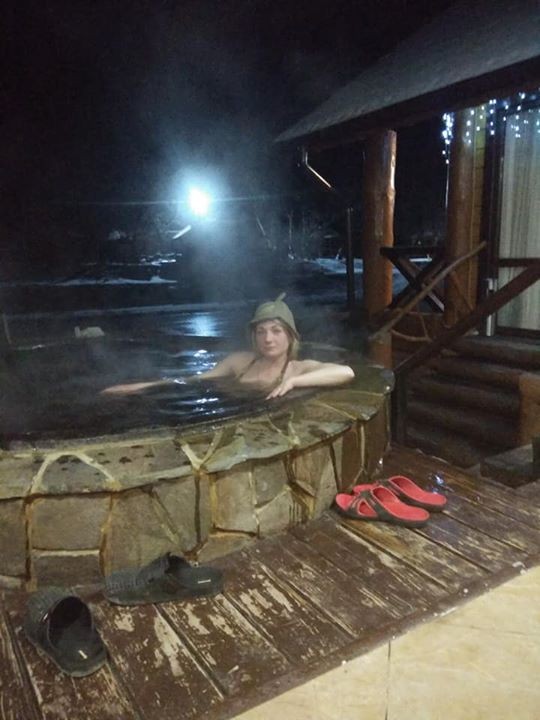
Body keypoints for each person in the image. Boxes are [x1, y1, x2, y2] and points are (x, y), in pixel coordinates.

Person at [101, 294, 355, 399]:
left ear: (290, 336)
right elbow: (196, 379)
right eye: (261, 331)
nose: (268, 338)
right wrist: (141, 386)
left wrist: (293, 382)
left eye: (276, 331)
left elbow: (346, 372)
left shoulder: (297, 369)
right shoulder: (240, 362)